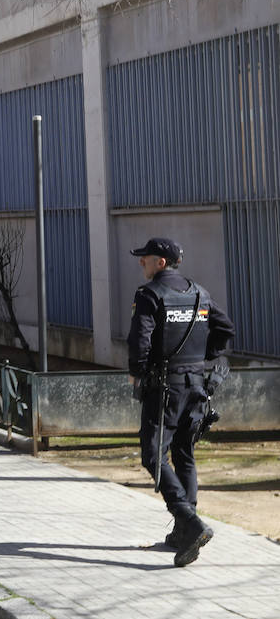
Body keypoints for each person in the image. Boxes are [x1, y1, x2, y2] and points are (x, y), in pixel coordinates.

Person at [127, 237, 233, 567]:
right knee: (184, 452)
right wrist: (204, 358)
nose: (140, 262)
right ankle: (182, 532)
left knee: (153, 455)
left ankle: (189, 521)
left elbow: (140, 339)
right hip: (197, 385)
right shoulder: (199, 292)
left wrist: (138, 372)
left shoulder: (150, 295)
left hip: (165, 388)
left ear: (161, 262)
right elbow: (225, 329)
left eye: (146, 257)